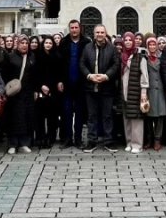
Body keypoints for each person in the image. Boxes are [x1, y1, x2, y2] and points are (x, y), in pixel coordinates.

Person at [80, 25, 120, 153]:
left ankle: (108, 141)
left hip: (107, 87)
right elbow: (82, 63)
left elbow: (116, 64)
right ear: (94, 34)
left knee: (107, 115)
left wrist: (107, 76)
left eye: (102, 32)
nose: (100, 34)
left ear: (105, 33)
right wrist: (89, 75)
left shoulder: (112, 48)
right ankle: (92, 141)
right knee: (92, 116)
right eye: (97, 32)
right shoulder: (87, 48)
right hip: (90, 87)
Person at [0, 36, 43, 154]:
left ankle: (24, 143)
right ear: (17, 44)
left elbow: (35, 75)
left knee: (27, 117)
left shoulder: (32, 57)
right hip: (14, 94)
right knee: (14, 118)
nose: (24, 45)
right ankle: (12, 144)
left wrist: (35, 90)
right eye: (22, 43)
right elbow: (4, 74)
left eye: (26, 43)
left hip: (28, 92)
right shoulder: (10, 57)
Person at [58, 20, 91, 149]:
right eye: (72, 27)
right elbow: (59, 63)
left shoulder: (86, 43)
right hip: (67, 83)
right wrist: (60, 80)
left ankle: (78, 139)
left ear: (80, 28)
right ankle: (67, 138)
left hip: (81, 83)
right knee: (66, 112)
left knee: (80, 112)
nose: (74, 30)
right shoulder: (64, 42)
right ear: (69, 29)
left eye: (76, 27)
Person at [117, 32, 150, 153]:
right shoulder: (121, 56)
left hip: (136, 91)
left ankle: (137, 144)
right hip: (124, 92)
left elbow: (144, 76)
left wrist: (143, 92)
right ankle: (129, 142)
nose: (127, 42)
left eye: (130, 40)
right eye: (125, 40)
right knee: (127, 118)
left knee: (136, 119)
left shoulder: (140, 57)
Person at [35, 37, 61, 148]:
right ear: (43, 44)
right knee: (39, 116)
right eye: (46, 42)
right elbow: (34, 74)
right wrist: (41, 86)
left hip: (53, 90)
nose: (48, 45)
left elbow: (58, 74)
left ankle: (51, 137)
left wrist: (50, 87)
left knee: (52, 116)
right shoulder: (37, 56)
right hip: (40, 88)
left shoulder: (57, 56)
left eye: (50, 43)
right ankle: (40, 137)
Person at [143, 36, 166, 151]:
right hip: (148, 90)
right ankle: (149, 139)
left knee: (159, 117)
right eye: (150, 45)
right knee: (148, 116)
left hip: (160, 90)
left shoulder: (162, 57)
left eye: (154, 45)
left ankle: (158, 139)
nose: (152, 47)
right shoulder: (144, 58)